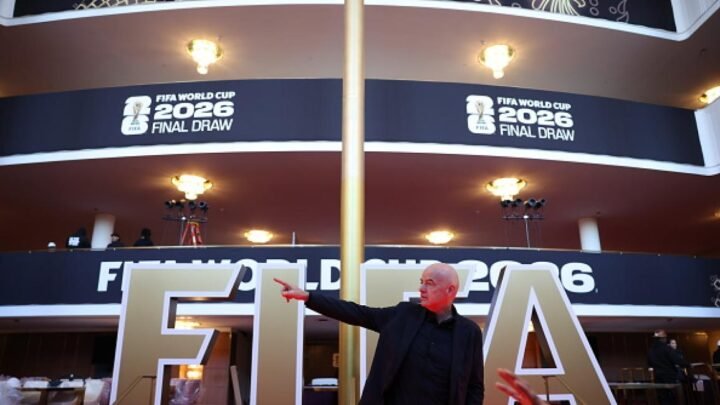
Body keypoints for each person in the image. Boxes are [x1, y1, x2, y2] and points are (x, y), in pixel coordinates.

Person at [274, 262, 484, 404]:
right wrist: (308, 297)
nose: (421, 288)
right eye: (421, 281)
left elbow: (475, 387)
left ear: (450, 290)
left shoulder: (469, 332)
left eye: (429, 283)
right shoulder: (402, 315)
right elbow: (357, 313)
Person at [647, 330, 689, 405]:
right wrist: (688, 364)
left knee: (663, 398)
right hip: (669, 376)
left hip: (658, 376)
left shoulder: (651, 350)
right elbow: (676, 360)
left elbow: (649, 363)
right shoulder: (666, 348)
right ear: (663, 338)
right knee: (673, 397)